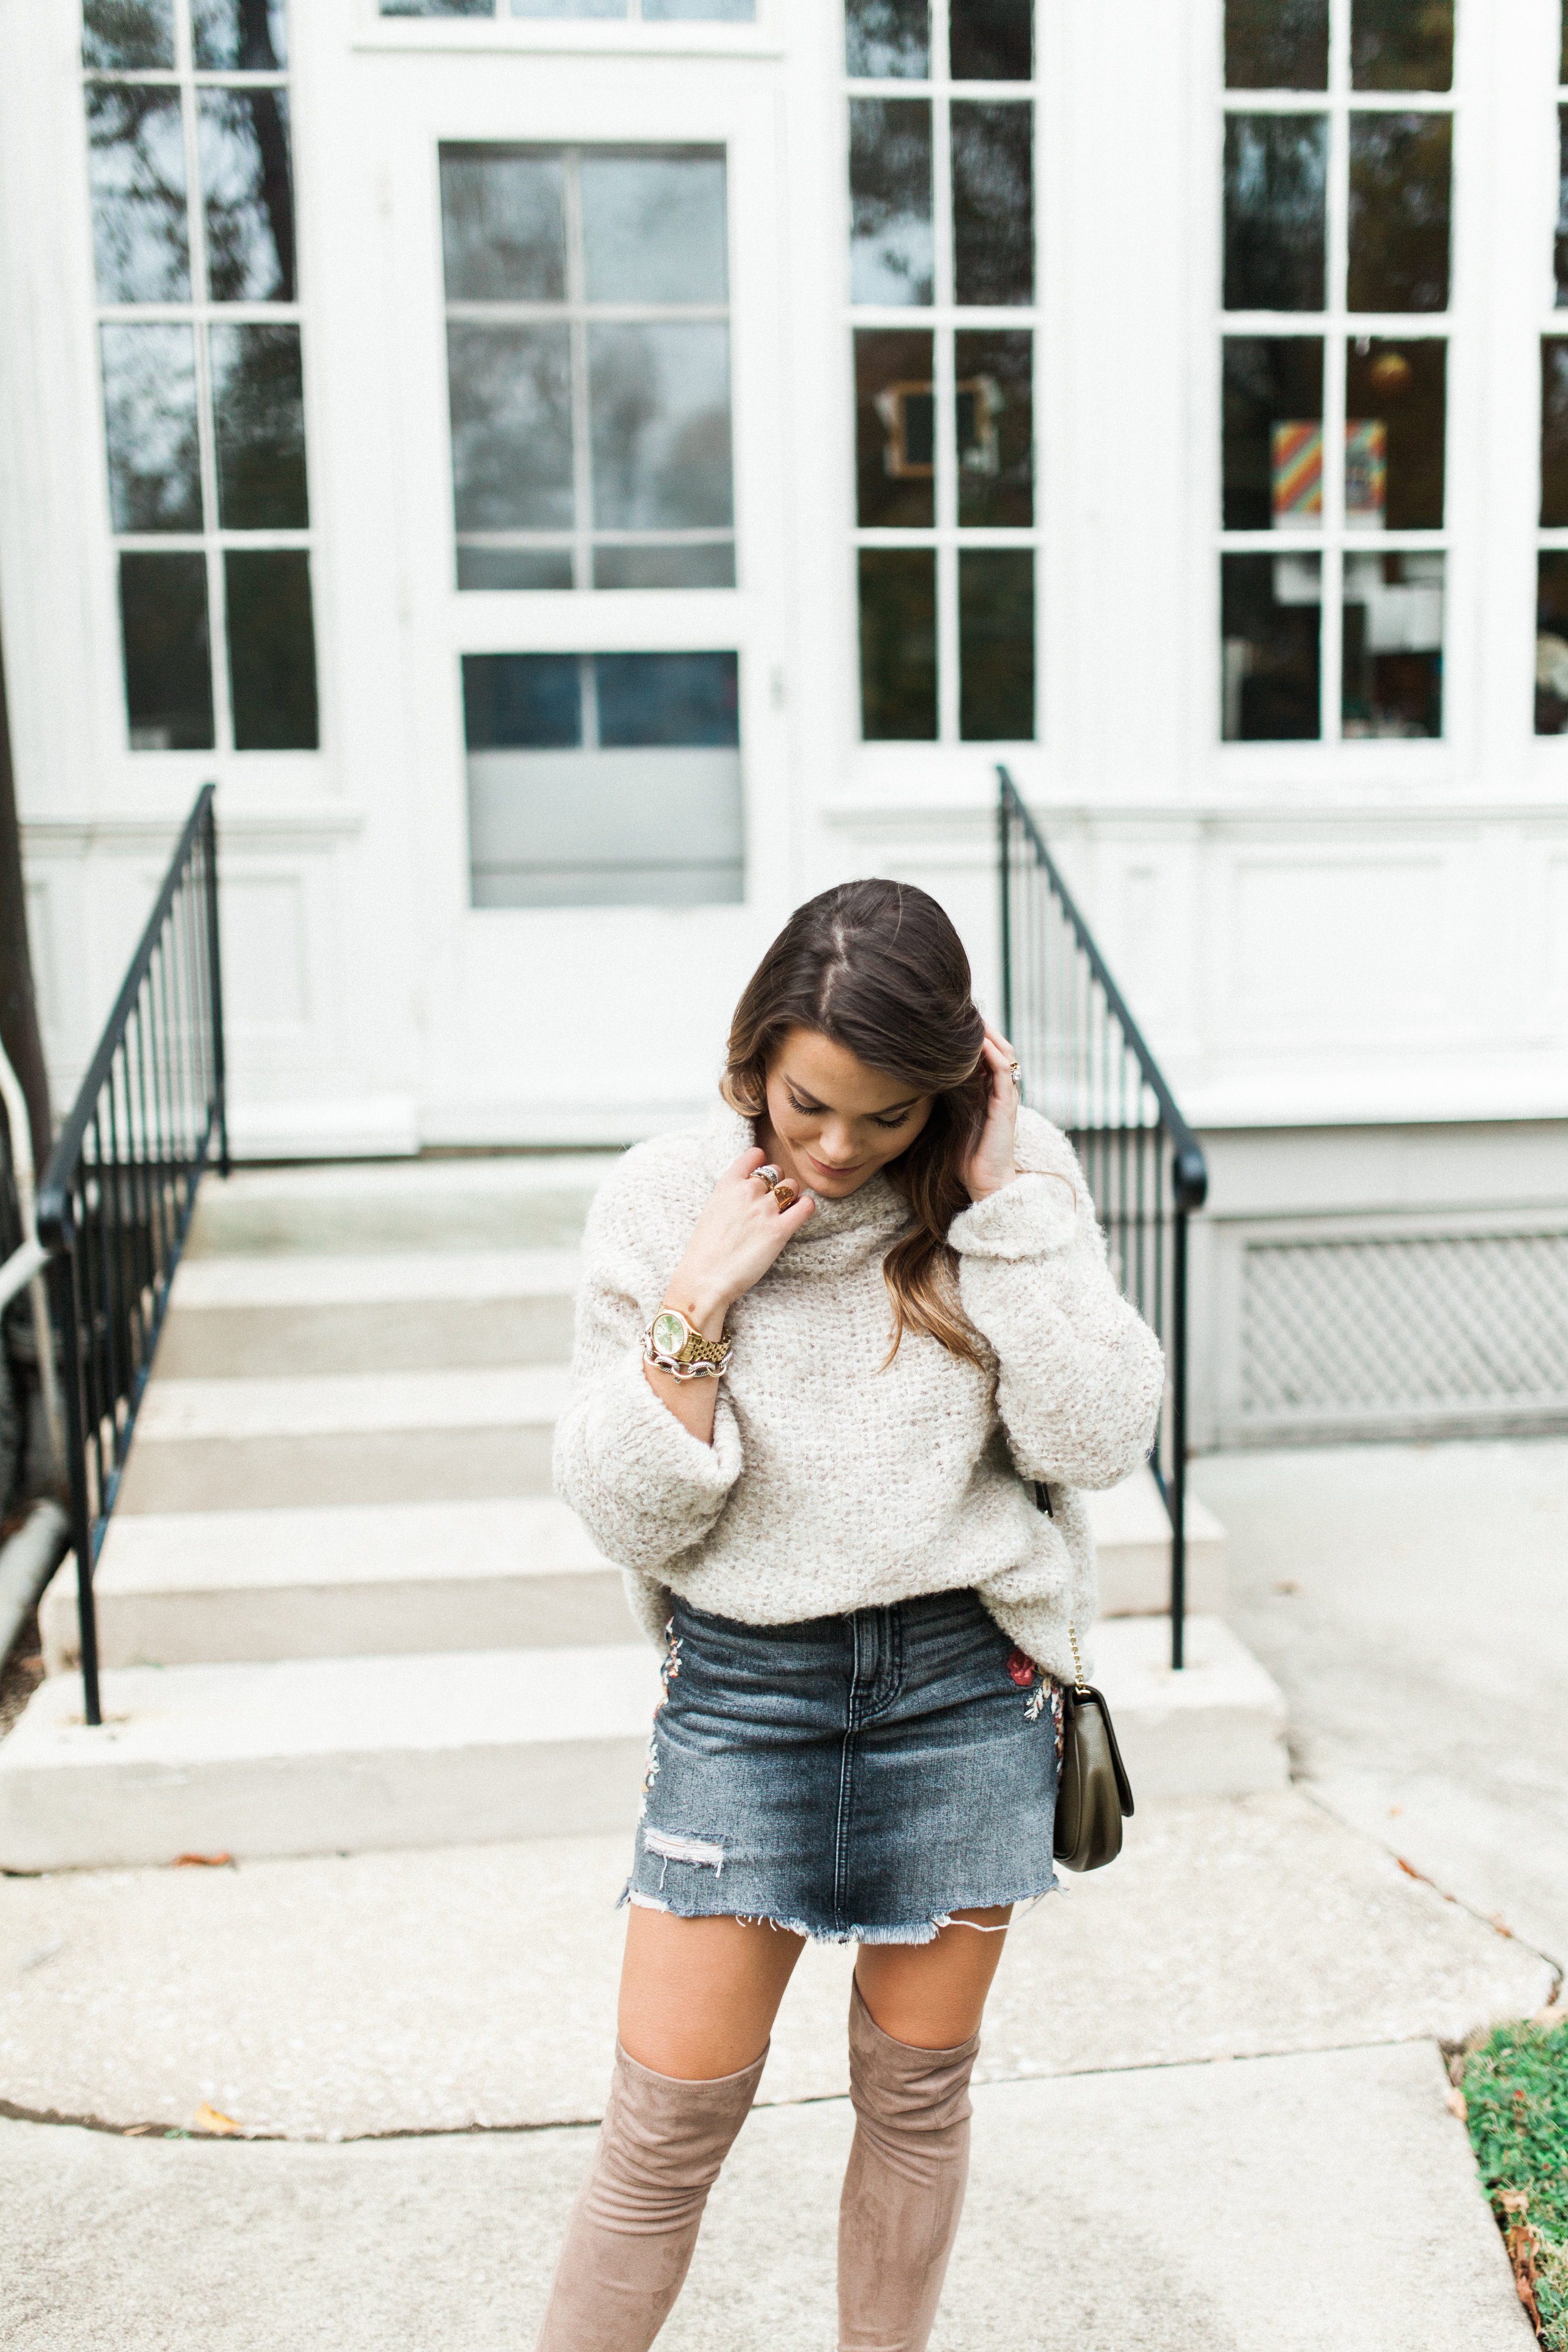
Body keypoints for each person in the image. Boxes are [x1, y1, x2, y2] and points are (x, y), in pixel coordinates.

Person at [540, 878, 1164, 2351]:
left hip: (963, 1687)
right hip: (745, 1700)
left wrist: (1003, 1208)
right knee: (662, 2134)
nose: (836, 1147)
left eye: (885, 1117)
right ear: (753, 1056)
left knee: (915, 2095)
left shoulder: (1008, 1190)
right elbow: (631, 1509)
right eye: (807, 1102)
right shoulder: (658, 1197)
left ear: (949, 1090)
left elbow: (1092, 1435)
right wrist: (702, 1290)